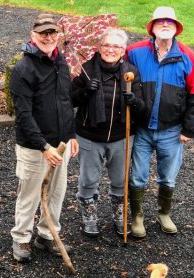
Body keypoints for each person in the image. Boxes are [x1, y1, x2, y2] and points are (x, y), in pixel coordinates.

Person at [126, 6, 194, 237]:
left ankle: (163, 214)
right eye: (160, 22)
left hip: (172, 129)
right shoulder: (135, 52)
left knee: (168, 175)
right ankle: (137, 217)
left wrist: (189, 129)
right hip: (141, 128)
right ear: (152, 27)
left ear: (176, 27)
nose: (165, 25)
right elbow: (113, 65)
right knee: (137, 174)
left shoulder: (188, 57)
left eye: (170, 22)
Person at [9, 13, 79, 262]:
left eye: (52, 33)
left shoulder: (61, 63)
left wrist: (70, 135)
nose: (48, 37)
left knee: (56, 193)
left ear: (58, 35)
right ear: (33, 36)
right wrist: (43, 146)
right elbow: (24, 115)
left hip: (60, 145)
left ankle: (47, 235)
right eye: (43, 33)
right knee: (29, 193)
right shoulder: (23, 68)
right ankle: (21, 239)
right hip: (34, 146)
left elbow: (65, 101)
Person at [72, 28, 144, 237]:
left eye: (116, 46)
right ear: (99, 47)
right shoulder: (86, 70)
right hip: (89, 136)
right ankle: (89, 218)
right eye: (106, 45)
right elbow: (70, 99)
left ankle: (119, 217)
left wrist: (134, 101)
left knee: (120, 180)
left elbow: (142, 105)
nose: (110, 49)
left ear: (123, 50)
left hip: (121, 136)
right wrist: (86, 92)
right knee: (88, 179)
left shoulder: (130, 72)